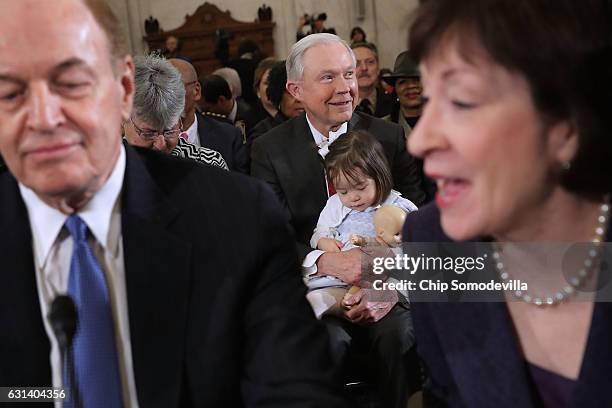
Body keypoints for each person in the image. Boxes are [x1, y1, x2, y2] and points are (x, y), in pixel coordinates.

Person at [0, 1, 348, 407]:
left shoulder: (238, 219)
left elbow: (292, 391)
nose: (43, 117)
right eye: (10, 92)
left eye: (71, 83)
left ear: (123, 87)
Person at [403, 0, 612, 406]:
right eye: (428, 100)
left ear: (568, 124)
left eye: (461, 102)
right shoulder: (432, 244)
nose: (418, 140)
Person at [307, 130, 418, 407]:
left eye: (360, 187)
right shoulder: (334, 206)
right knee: (317, 323)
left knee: (398, 335)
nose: (353, 198)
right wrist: (323, 243)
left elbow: (417, 259)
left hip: (386, 286)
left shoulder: (400, 208)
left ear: (380, 175)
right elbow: (318, 232)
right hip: (338, 282)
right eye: (343, 190)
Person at [124, 55, 228, 170]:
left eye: (169, 131)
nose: (161, 145)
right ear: (123, 119)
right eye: (149, 133)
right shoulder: (105, 169)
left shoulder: (209, 164)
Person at [169, 58, 248, 173]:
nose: (165, 97)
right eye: (158, 90)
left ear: (196, 91)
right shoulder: (149, 140)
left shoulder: (229, 136)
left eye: (173, 88)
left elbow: (242, 186)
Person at [382, 51, 436, 202]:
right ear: (396, 90)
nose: (411, 87)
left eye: (417, 80)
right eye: (403, 82)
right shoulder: (383, 129)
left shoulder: (447, 125)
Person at [249, 60, 305, 142]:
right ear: (278, 95)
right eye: (290, 93)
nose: (298, 99)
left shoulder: (324, 129)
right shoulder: (262, 136)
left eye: (304, 91)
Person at [351, 42, 393, 118]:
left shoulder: (394, 103)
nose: (364, 68)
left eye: (370, 62)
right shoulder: (338, 107)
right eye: (356, 63)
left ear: (378, 68)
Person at [252, 57, 279, 123]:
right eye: (267, 83)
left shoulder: (295, 115)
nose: (272, 87)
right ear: (258, 90)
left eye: (276, 82)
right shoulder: (249, 121)